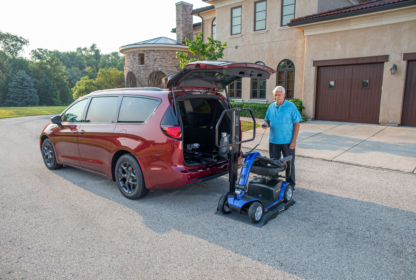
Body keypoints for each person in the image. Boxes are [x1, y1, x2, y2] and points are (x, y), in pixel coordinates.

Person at [262, 86, 302, 190]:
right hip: (274, 141)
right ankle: (274, 183)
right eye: (275, 95)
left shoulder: (291, 106)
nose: (277, 97)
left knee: (289, 164)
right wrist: (266, 124)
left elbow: (297, 124)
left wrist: (293, 141)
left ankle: (290, 184)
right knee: (273, 163)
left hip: (288, 142)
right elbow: (267, 120)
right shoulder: (271, 107)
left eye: (279, 95)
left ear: (284, 95)